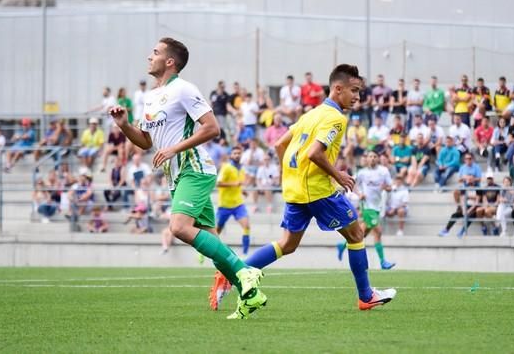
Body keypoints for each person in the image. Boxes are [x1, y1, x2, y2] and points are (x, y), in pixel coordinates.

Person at [110, 37, 265, 319]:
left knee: (179, 227)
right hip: (176, 176)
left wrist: (173, 149)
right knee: (210, 241)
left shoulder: (183, 89)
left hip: (195, 169)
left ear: (170, 61)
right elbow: (145, 142)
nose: (149, 56)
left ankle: (245, 272)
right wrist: (124, 126)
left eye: (155, 52)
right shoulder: (150, 97)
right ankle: (250, 295)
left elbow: (212, 128)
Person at [231, 64, 396, 315]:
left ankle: (235, 273)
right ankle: (366, 296)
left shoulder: (311, 114)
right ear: (337, 88)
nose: (357, 97)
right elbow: (314, 153)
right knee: (355, 236)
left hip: (296, 189)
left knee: (287, 244)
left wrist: (292, 176)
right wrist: (338, 174)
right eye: (354, 90)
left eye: (359, 92)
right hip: (318, 190)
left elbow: (278, 145)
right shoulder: (336, 118)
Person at [336, 151, 395, 269]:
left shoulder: (383, 171)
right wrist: (359, 194)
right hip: (367, 206)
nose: (372, 158)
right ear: (366, 159)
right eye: (370, 157)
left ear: (377, 159)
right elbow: (352, 184)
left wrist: (387, 188)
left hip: (377, 206)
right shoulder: (362, 173)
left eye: (375, 156)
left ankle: (343, 245)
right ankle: (383, 262)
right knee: (377, 231)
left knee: (361, 234)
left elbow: (390, 187)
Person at [216, 146, 251, 256]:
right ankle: (203, 252)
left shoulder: (242, 169)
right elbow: (218, 183)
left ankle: (245, 255)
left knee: (246, 226)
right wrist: (234, 184)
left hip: (238, 204)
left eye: (239, 153)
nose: (237, 155)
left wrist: (242, 191)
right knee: (217, 231)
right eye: (234, 153)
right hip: (224, 205)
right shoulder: (226, 167)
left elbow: (238, 185)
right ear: (231, 155)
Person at [439, 153, 481, 237]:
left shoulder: (477, 188)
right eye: (466, 158)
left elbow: (477, 200)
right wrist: (463, 208)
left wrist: (468, 209)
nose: (468, 160)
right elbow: (462, 198)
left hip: (473, 206)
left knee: (472, 215)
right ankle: (446, 230)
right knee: (455, 214)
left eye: (469, 158)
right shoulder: (464, 187)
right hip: (466, 205)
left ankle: (462, 231)